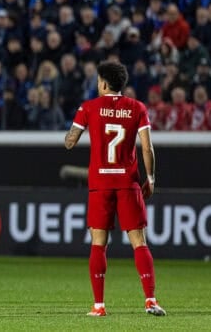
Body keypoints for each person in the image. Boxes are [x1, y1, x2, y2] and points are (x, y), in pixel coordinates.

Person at [64, 61, 166, 317]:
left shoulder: (88, 107)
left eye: (99, 81)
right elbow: (147, 148)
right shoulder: (137, 108)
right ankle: (151, 300)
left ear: (104, 83)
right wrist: (150, 178)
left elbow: (70, 142)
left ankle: (99, 306)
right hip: (128, 182)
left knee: (99, 243)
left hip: (100, 184)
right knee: (139, 243)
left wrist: (74, 131)